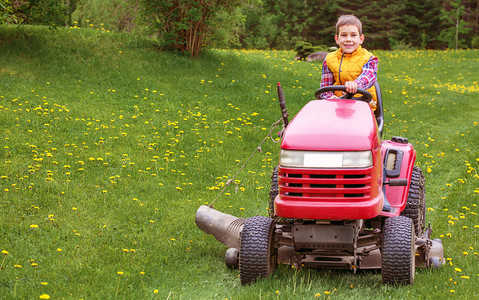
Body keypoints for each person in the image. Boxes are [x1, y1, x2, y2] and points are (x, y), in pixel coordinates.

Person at [319, 15, 378, 111]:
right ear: (337, 39)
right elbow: (325, 87)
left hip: (363, 105)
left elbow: (369, 76)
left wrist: (356, 84)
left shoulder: (369, 58)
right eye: (344, 35)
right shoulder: (329, 59)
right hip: (337, 105)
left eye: (353, 35)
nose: (348, 39)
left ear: (361, 39)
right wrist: (330, 98)